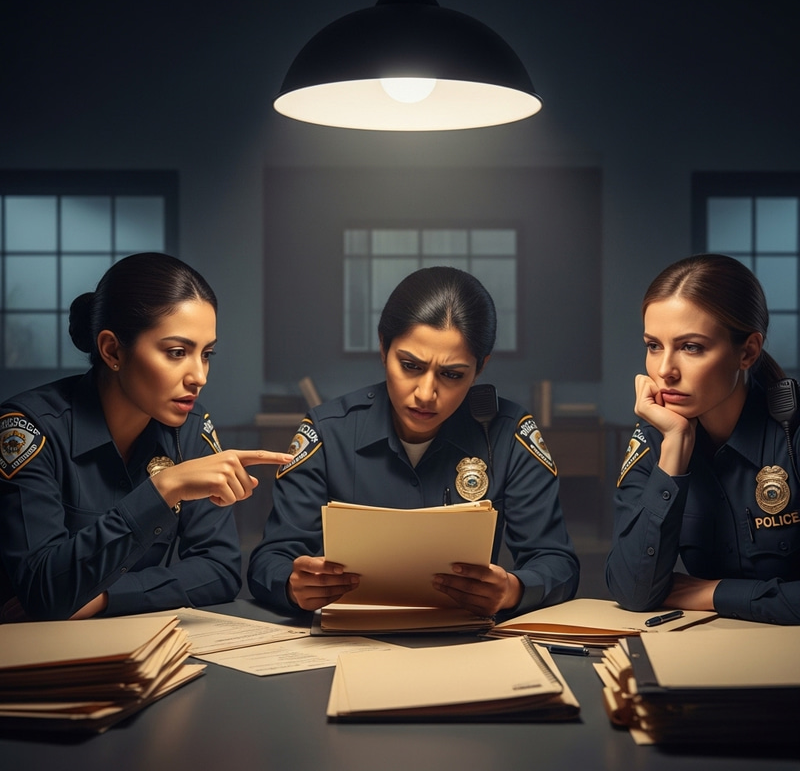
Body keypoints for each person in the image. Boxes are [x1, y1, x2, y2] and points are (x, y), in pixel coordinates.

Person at [248, 266, 579, 617]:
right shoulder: (327, 432)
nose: (426, 394)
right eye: (410, 366)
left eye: (452, 374)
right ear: (382, 348)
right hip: (352, 644)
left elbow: (557, 562)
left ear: (480, 368)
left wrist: (512, 590)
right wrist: (293, 585)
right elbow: (270, 560)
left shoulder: (510, 434)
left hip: (465, 646)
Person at [0, 253, 292, 622]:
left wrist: (105, 597)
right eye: (176, 352)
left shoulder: (190, 429)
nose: (199, 376)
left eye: (207, 354)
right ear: (112, 350)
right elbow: (43, 593)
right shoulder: (28, 429)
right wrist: (164, 489)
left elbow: (219, 570)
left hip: (142, 647)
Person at [605, 253, 800, 625]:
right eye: (653, 345)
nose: (665, 371)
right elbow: (633, 590)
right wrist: (674, 447)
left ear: (748, 351)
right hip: (703, 653)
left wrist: (711, 592)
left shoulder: (793, 430)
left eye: (691, 347)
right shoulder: (655, 434)